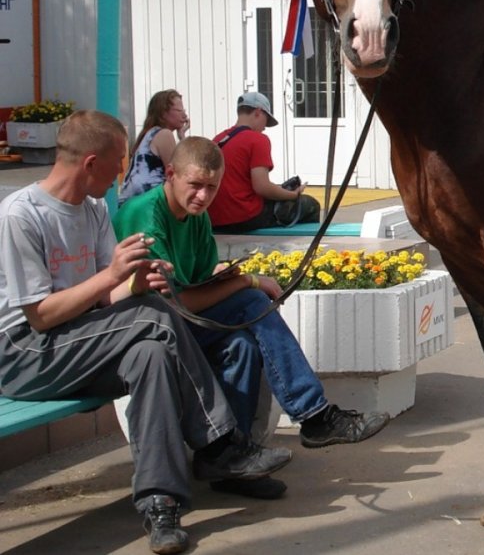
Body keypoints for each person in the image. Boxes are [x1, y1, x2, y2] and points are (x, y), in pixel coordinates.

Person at [0, 110, 292, 555]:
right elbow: (40, 316)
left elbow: (105, 300)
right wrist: (112, 278)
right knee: (153, 318)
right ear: (90, 162)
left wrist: (135, 282)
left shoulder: (94, 210)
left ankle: (161, 505)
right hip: (23, 351)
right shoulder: (21, 216)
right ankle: (223, 444)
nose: (125, 172)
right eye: (119, 161)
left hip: (77, 341)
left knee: (151, 354)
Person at [113, 136, 390, 455]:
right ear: (171, 173)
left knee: (241, 347)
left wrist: (225, 277)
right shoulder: (146, 216)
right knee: (252, 301)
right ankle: (313, 415)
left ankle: (233, 456)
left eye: (212, 187)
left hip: (179, 324)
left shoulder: (198, 216)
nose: (203, 196)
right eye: (195, 184)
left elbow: (198, 285)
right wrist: (246, 282)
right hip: (150, 331)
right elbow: (177, 306)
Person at [206, 91, 320, 233]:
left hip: (215, 218)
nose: (265, 127)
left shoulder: (218, 139)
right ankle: (300, 247)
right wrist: (293, 194)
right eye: (266, 121)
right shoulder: (258, 140)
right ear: (258, 113)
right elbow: (262, 187)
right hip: (244, 217)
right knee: (311, 205)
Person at [118, 89, 190, 206]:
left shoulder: (149, 134)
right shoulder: (164, 134)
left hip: (131, 205)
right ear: (163, 113)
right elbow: (180, 174)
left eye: (184, 110)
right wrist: (182, 138)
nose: (185, 115)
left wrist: (181, 135)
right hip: (145, 205)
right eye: (179, 110)